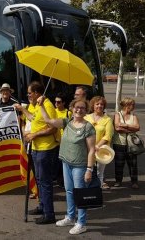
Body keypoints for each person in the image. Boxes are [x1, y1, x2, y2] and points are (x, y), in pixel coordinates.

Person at [37, 97, 95, 235]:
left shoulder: (88, 127)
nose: (79, 110)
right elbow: (49, 121)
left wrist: (89, 169)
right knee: (69, 191)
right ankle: (70, 217)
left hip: (80, 166)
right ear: (72, 108)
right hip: (66, 163)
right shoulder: (67, 122)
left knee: (80, 194)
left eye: (82, 108)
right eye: (77, 107)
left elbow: (92, 150)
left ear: (86, 111)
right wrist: (41, 106)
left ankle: (81, 223)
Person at [15, 81, 58, 225]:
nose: (28, 95)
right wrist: (22, 109)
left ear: (36, 93)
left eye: (29, 93)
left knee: (45, 182)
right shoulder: (36, 105)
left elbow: (53, 128)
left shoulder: (48, 105)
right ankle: (42, 206)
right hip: (35, 148)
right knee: (39, 180)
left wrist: (35, 135)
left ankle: (49, 214)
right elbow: (33, 118)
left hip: (45, 148)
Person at [84, 96, 114, 190]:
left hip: (101, 150)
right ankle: (87, 191)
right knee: (87, 171)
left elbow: (108, 136)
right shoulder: (86, 117)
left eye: (101, 104)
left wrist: (97, 146)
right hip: (86, 149)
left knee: (99, 173)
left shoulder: (108, 119)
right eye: (97, 104)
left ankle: (97, 192)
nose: (99, 106)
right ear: (93, 105)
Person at [113, 97, 140, 189]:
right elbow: (117, 128)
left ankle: (134, 182)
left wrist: (125, 125)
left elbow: (137, 127)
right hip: (119, 143)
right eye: (132, 104)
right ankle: (118, 181)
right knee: (119, 163)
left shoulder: (134, 116)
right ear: (126, 105)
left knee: (133, 164)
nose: (134, 106)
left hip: (132, 144)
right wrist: (130, 128)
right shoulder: (117, 115)